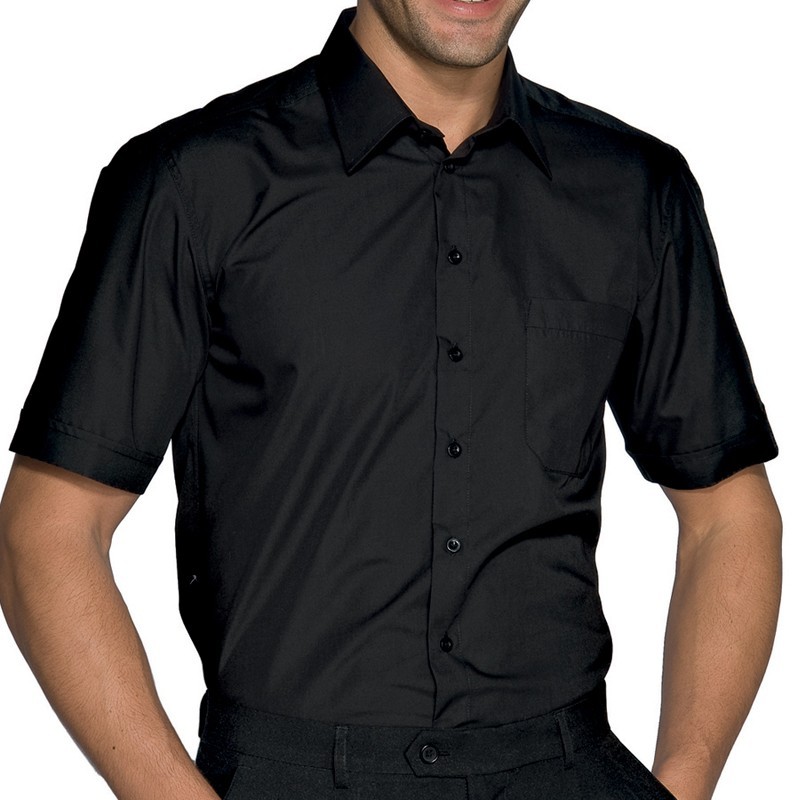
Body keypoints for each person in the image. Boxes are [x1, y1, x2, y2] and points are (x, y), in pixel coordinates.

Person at [0, 1, 782, 799]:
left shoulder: (634, 189)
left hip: (566, 766)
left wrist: (681, 782)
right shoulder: (196, 183)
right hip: (293, 776)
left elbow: (728, 512)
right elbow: (49, 530)